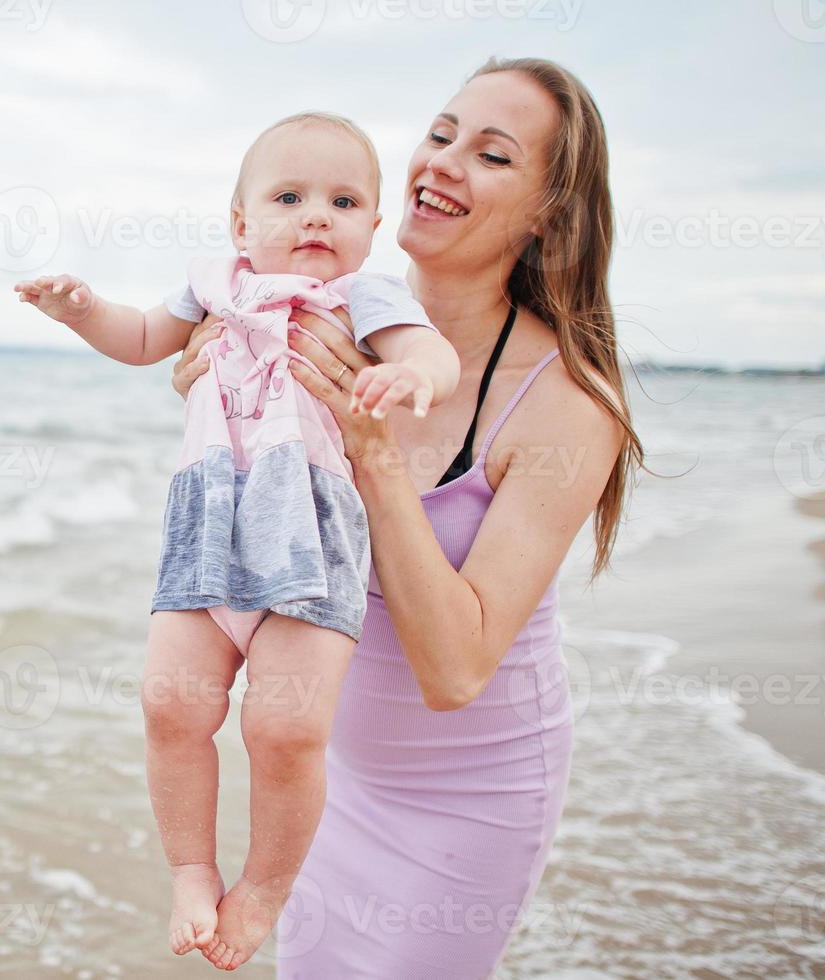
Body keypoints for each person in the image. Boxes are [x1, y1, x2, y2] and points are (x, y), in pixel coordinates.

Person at [168, 57, 642, 976]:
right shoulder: (330, 316)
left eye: (493, 155)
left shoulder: (567, 403)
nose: (444, 163)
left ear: (549, 211)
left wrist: (376, 460)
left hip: (467, 800)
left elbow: (455, 669)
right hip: (326, 781)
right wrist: (207, 391)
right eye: (439, 135)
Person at [14, 111, 459, 969]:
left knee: (285, 729)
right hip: (204, 524)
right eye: (289, 197)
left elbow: (428, 351)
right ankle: (189, 868)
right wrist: (83, 312)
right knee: (169, 703)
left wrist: (409, 374)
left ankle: (261, 888)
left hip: (309, 533)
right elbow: (143, 340)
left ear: (373, 227)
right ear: (240, 223)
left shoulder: (363, 298)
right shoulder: (213, 284)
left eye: (343, 200)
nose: (315, 216)